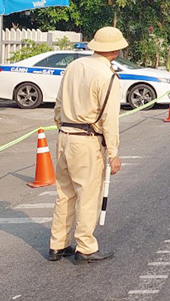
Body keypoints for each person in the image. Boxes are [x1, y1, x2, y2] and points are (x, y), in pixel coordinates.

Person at [48, 26, 128, 264]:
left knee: (64, 193)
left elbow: (59, 101)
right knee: (88, 195)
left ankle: (57, 244)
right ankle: (85, 246)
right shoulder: (108, 77)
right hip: (86, 140)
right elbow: (110, 120)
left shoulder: (74, 66)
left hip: (64, 135)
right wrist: (113, 153)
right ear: (115, 50)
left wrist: (61, 125)